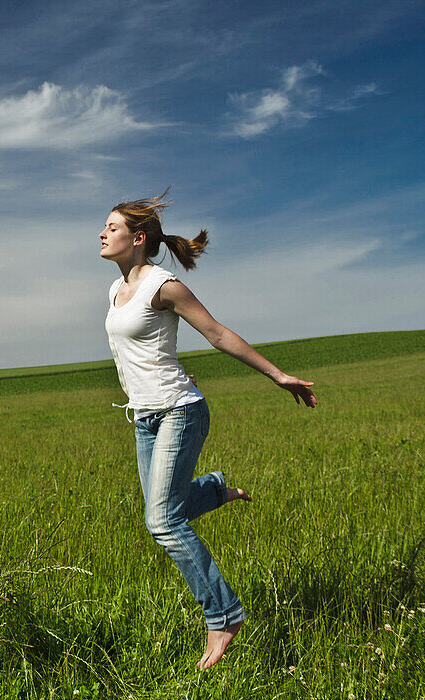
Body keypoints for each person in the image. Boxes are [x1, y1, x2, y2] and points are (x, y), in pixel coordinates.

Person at [101, 190, 317, 670]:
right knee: (163, 513)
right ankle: (217, 489)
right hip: (144, 416)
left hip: (180, 410)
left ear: (138, 239)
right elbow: (139, 354)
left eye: (112, 227)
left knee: (163, 522)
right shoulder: (114, 292)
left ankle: (223, 615)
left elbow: (217, 333)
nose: (102, 233)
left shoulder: (165, 285)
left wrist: (278, 375)